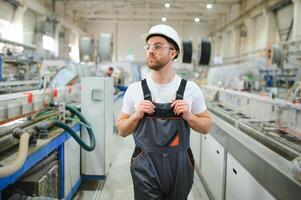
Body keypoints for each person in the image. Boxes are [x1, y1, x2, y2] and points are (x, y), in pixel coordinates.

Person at [116, 24, 212, 200]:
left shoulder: (190, 89)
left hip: (180, 166)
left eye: (158, 46)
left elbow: (206, 126)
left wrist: (189, 116)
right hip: (145, 165)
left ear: (173, 53)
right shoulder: (135, 90)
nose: (150, 51)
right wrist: (136, 116)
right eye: (148, 46)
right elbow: (121, 130)